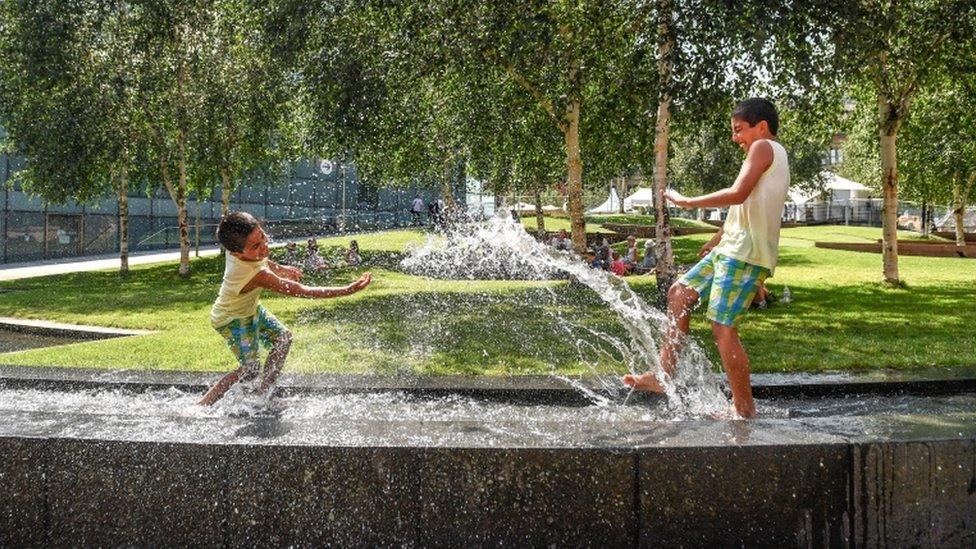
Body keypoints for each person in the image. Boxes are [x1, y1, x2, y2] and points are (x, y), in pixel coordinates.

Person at [623, 98, 790, 419]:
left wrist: (687, 202)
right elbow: (747, 206)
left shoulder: (764, 148)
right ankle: (663, 374)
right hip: (732, 247)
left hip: (746, 252)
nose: (734, 137)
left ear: (762, 127)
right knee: (680, 293)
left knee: (722, 325)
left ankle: (744, 409)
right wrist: (717, 240)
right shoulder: (767, 154)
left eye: (739, 130)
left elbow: (738, 193)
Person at [201, 212, 371, 406]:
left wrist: (282, 268)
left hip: (250, 309)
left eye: (262, 236)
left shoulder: (242, 252)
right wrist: (347, 289)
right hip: (232, 319)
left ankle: (264, 394)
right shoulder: (254, 274)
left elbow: (261, 260)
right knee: (250, 369)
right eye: (256, 246)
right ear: (236, 253)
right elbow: (301, 290)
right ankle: (202, 405)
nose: (264, 246)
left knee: (283, 338)